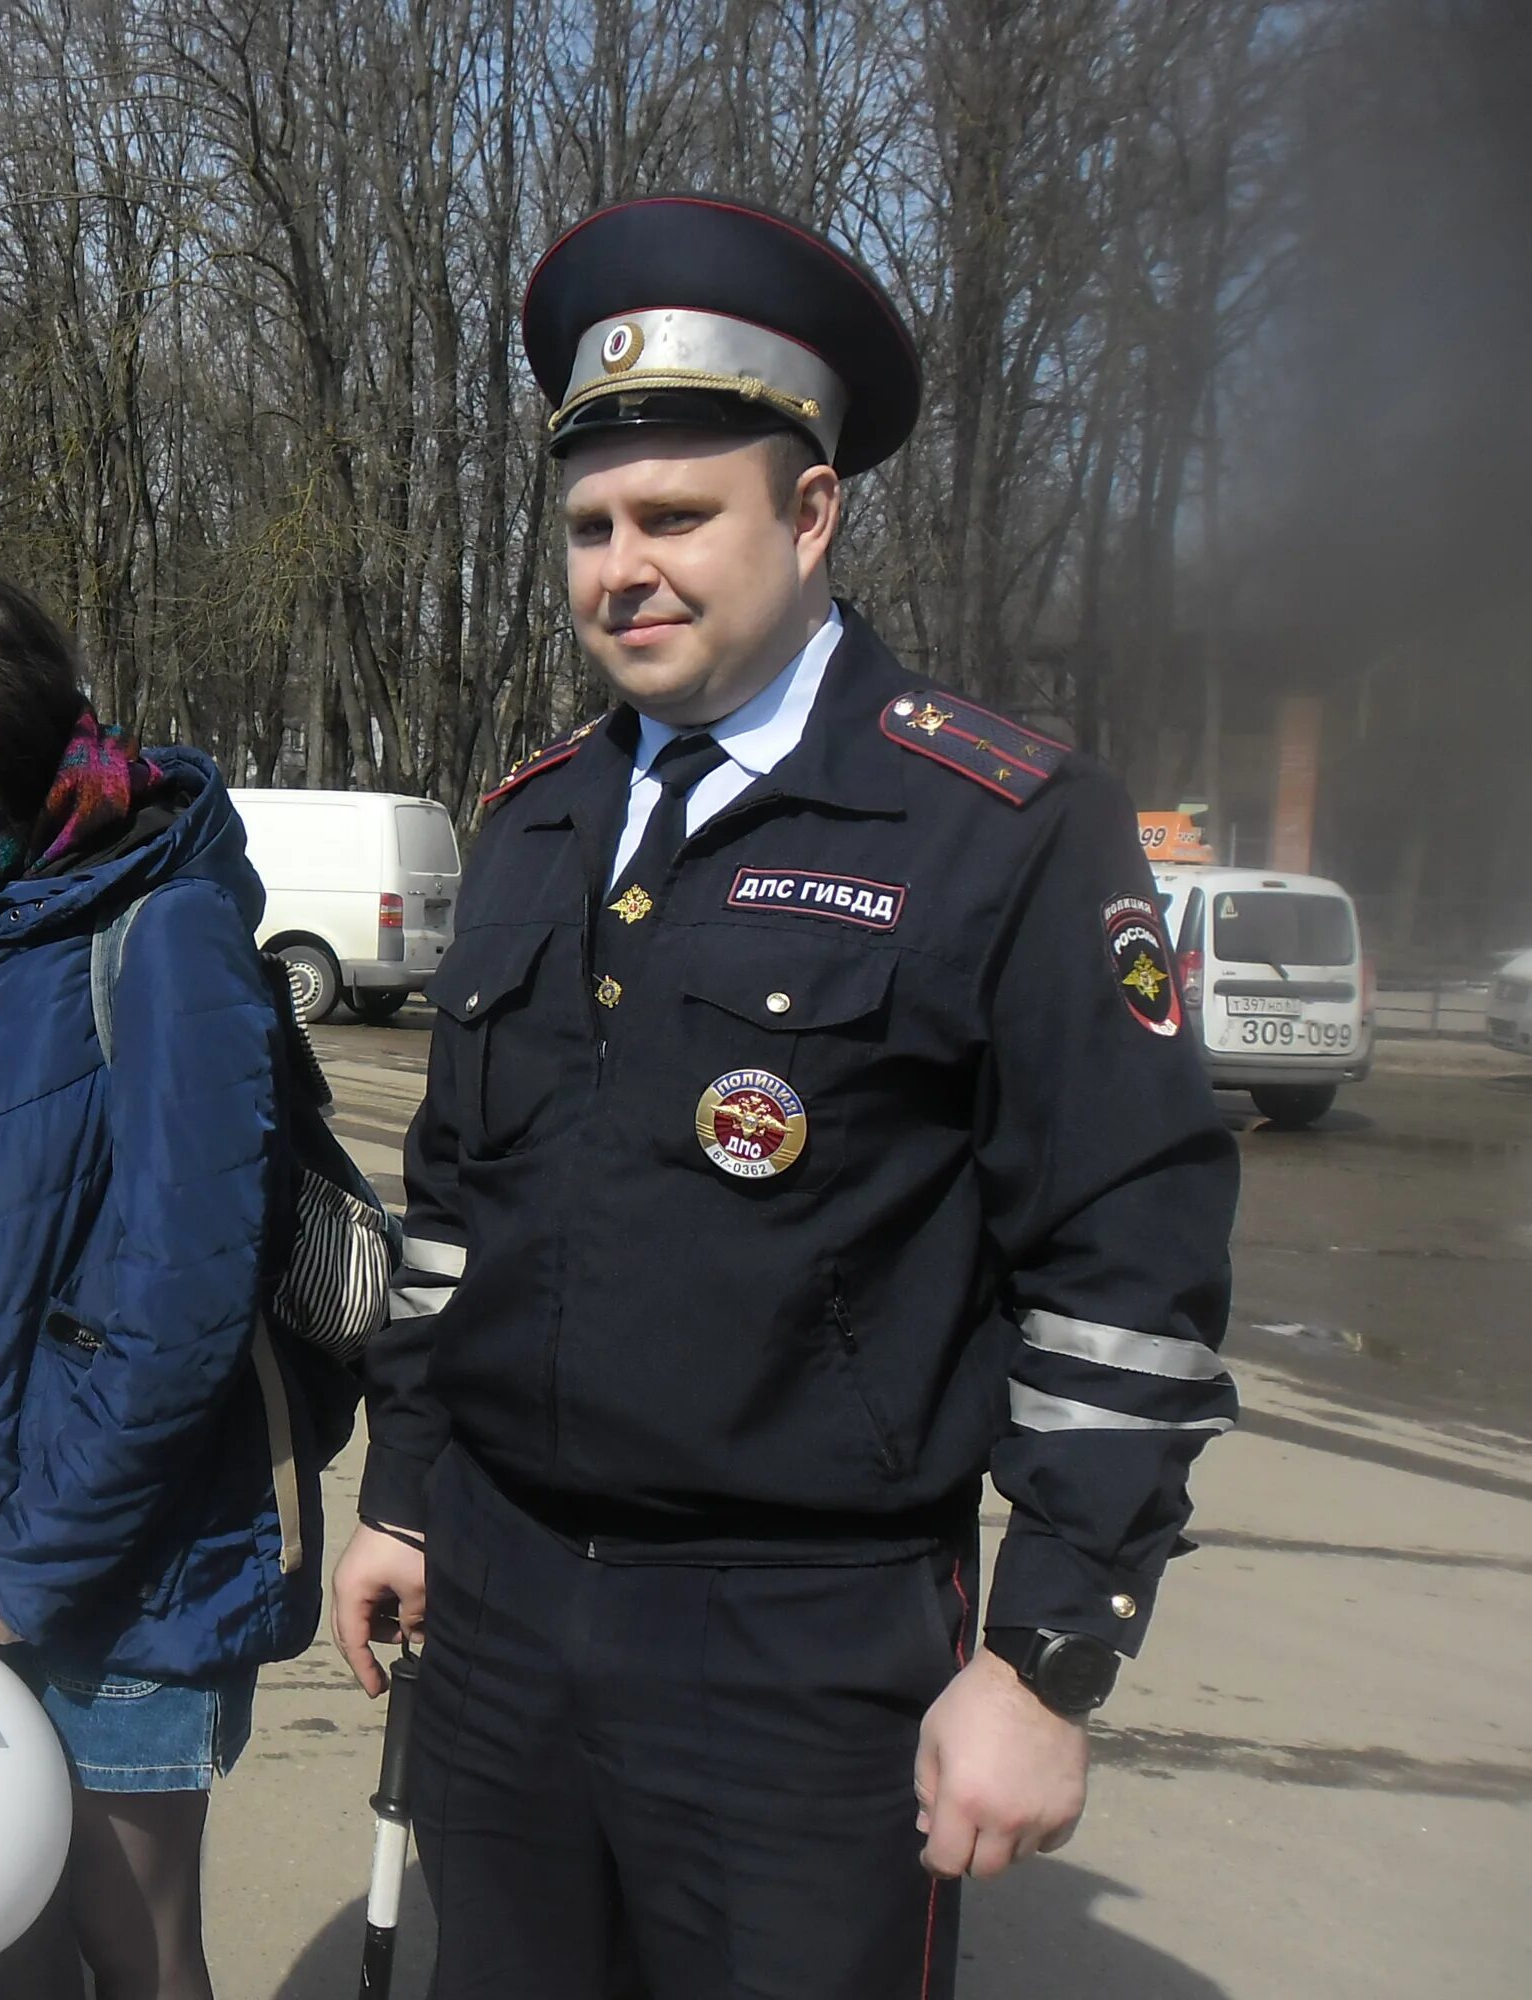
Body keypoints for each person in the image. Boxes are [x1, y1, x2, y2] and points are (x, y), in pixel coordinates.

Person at [328, 195, 1243, 1998]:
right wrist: (407, 1491)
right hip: (504, 1610)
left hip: (802, 1645)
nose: (622, 569)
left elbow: (1126, 1267)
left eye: (677, 517)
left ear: (811, 513)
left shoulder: (1002, 825)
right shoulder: (534, 828)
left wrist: (1050, 1658)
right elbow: (454, 1217)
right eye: (590, 527)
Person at [0, 566, 325, 2000]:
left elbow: (181, 1312)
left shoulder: (166, 935)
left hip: (132, 1589)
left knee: (132, 1947)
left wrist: (29, 1573)